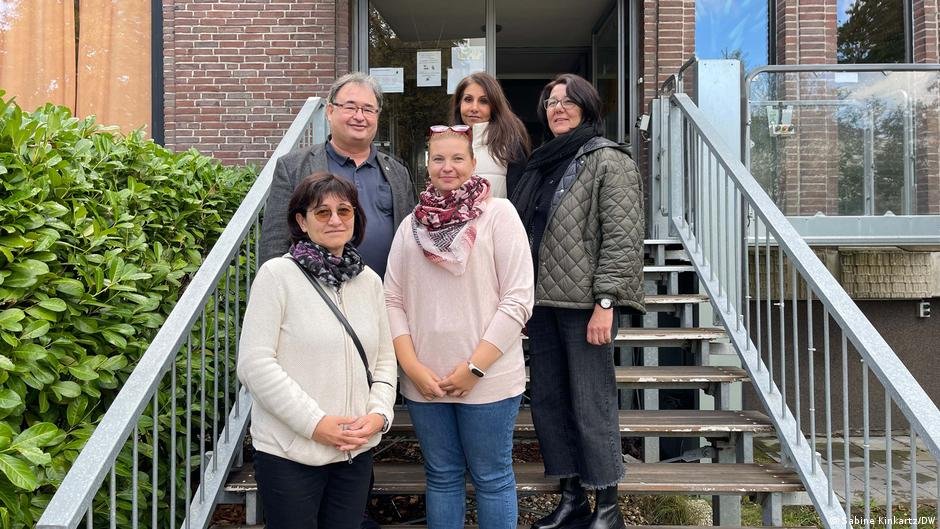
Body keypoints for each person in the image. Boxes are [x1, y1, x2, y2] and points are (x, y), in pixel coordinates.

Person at [509, 73, 645, 529]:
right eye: (551, 102)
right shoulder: (543, 162)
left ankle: (608, 506)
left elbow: (622, 238)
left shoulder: (608, 159)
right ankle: (572, 499)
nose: (558, 108)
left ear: (587, 108)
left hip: (586, 306)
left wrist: (606, 302)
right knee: (549, 403)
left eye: (568, 101)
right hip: (542, 303)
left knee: (591, 403)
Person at [384, 125, 534, 529]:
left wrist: (474, 368)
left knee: (492, 478)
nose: (447, 167)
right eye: (438, 158)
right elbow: (392, 299)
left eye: (457, 158)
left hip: (488, 380)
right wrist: (412, 368)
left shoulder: (499, 215)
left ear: (473, 162)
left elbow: (518, 299)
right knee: (442, 476)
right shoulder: (411, 226)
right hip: (425, 381)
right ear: (427, 165)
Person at [238, 172, 398, 529]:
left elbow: (385, 360)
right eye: (322, 212)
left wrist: (379, 415)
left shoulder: (369, 282)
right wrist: (315, 424)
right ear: (302, 221)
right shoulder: (277, 276)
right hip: (289, 453)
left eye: (344, 210)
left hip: (354, 451)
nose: (335, 220)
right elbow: (255, 364)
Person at [259, 72, 416, 278]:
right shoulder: (293, 167)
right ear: (330, 111)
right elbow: (274, 243)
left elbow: (411, 238)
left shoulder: (398, 172)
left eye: (368, 109)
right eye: (350, 107)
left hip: (384, 291)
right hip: (316, 292)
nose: (359, 116)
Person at [450, 72, 530, 198]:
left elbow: (519, 202)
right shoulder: (448, 144)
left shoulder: (509, 147)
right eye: (468, 99)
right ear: (459, 104)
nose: (474, 108)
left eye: (483, 101)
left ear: (495, 106)